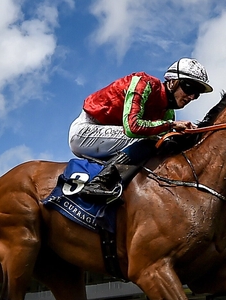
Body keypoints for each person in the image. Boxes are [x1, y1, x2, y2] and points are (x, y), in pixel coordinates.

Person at [68, 57, 213, 201]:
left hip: (109, 140)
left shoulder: (168, 113)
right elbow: (133, 127)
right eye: (189, 88)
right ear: (173, 82)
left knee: (162, 146)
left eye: (197, 94)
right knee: (150, 141)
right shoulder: (144, 83)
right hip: (86, 131)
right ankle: (99, 183)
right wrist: (172, 125)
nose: (192, 96)